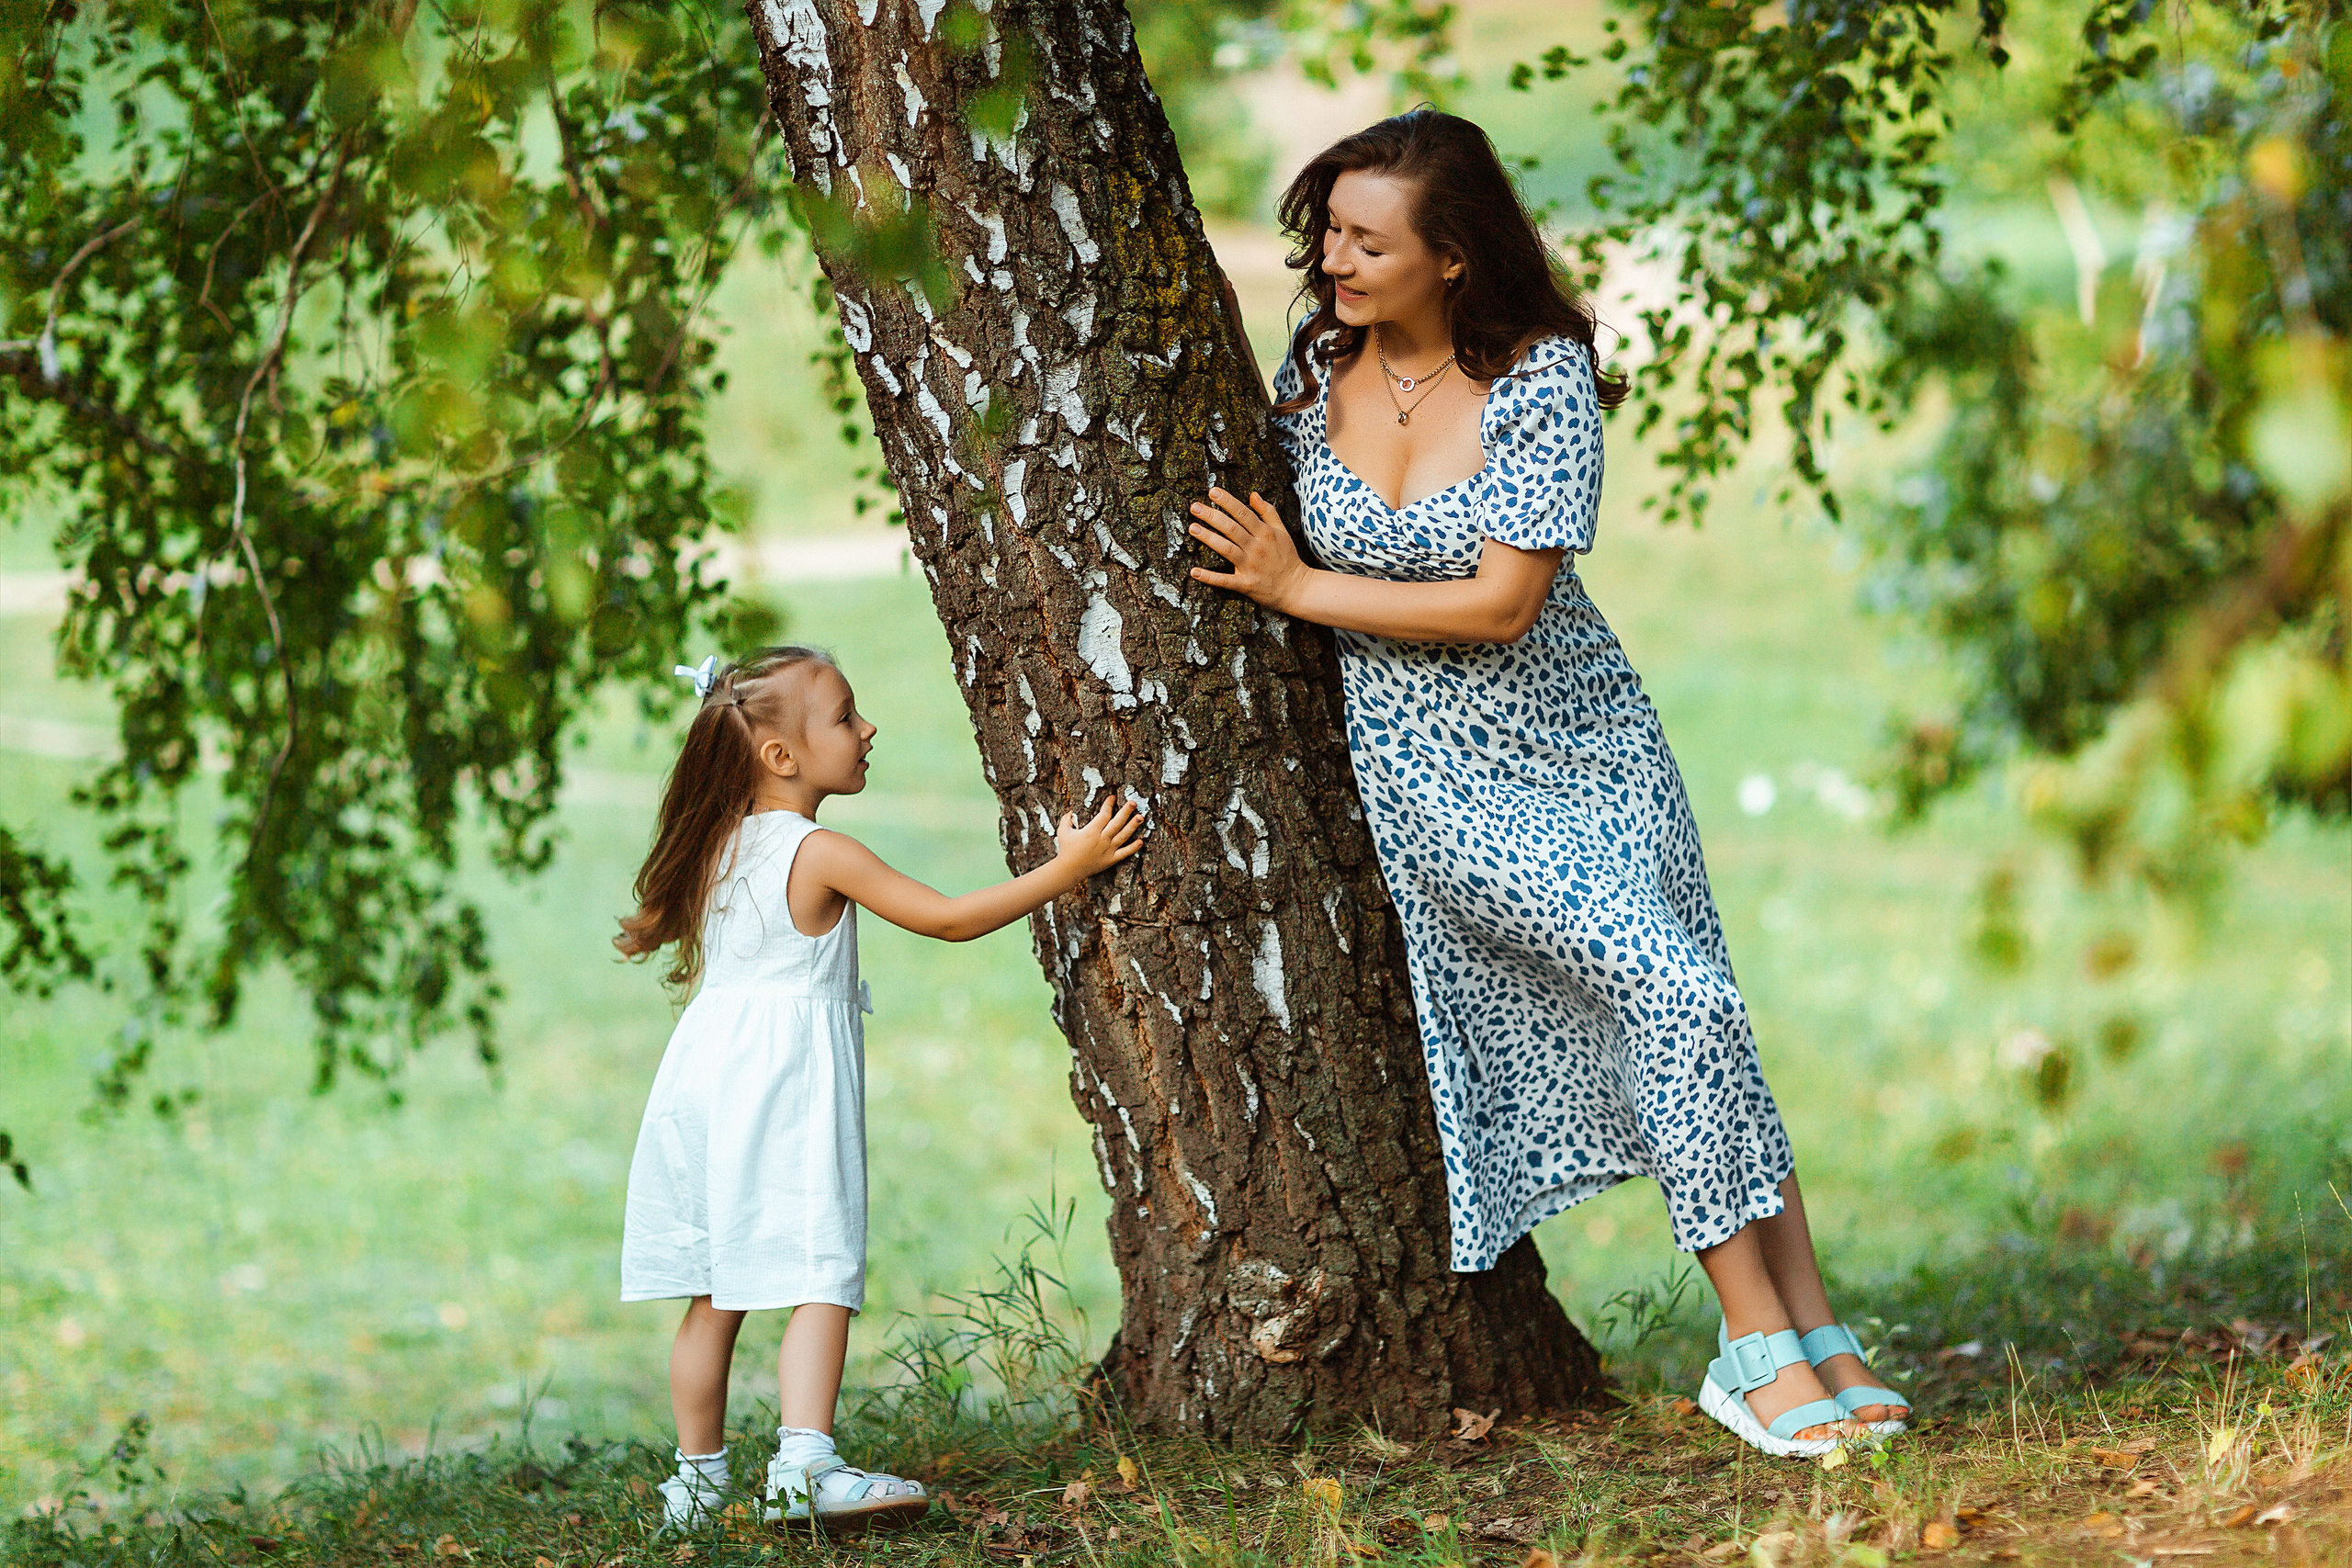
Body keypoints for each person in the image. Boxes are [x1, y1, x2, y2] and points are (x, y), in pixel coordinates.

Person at [1184, 109, 1910, 1457]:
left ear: (1453, 255)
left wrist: (1297, 589)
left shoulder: (1541, 376)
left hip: (1588, 745)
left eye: (1369, 241)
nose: (1334, 260)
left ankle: (1814, 1333)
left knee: (1701, 1008)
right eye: (1330, 231)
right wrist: (1290, 586)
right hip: (1433, 774)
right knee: (1675, 993)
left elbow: (1502, 603)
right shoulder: (1314, 366)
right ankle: (1752, 1345)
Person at [612, 646, 1145, 1530]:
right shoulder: (820, 851)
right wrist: (1070, 866)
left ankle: (696, 1485)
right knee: (820, 1267)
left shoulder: (719, 844)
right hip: (782, 1087)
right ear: (781, 755)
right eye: (844, 716)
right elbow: (947, 918)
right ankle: (803, 1467)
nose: (868, 728)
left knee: (714, 1289)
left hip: (703, 1084)